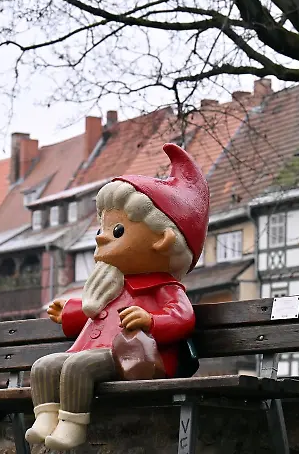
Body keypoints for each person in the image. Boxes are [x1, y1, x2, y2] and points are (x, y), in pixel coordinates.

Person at [25, 143, 209, 449]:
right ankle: (46, 418)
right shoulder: (112, 284)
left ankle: (72, 425)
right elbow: (97, 315)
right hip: (96, 351)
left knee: (78, 367)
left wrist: (151, 320)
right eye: (103, 228)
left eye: (117, 230)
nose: (101, 237)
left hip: (134, 357)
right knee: (44, 365)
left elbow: (183, 318)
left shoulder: (164, 288)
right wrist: (68, 311)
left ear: (163, 240)